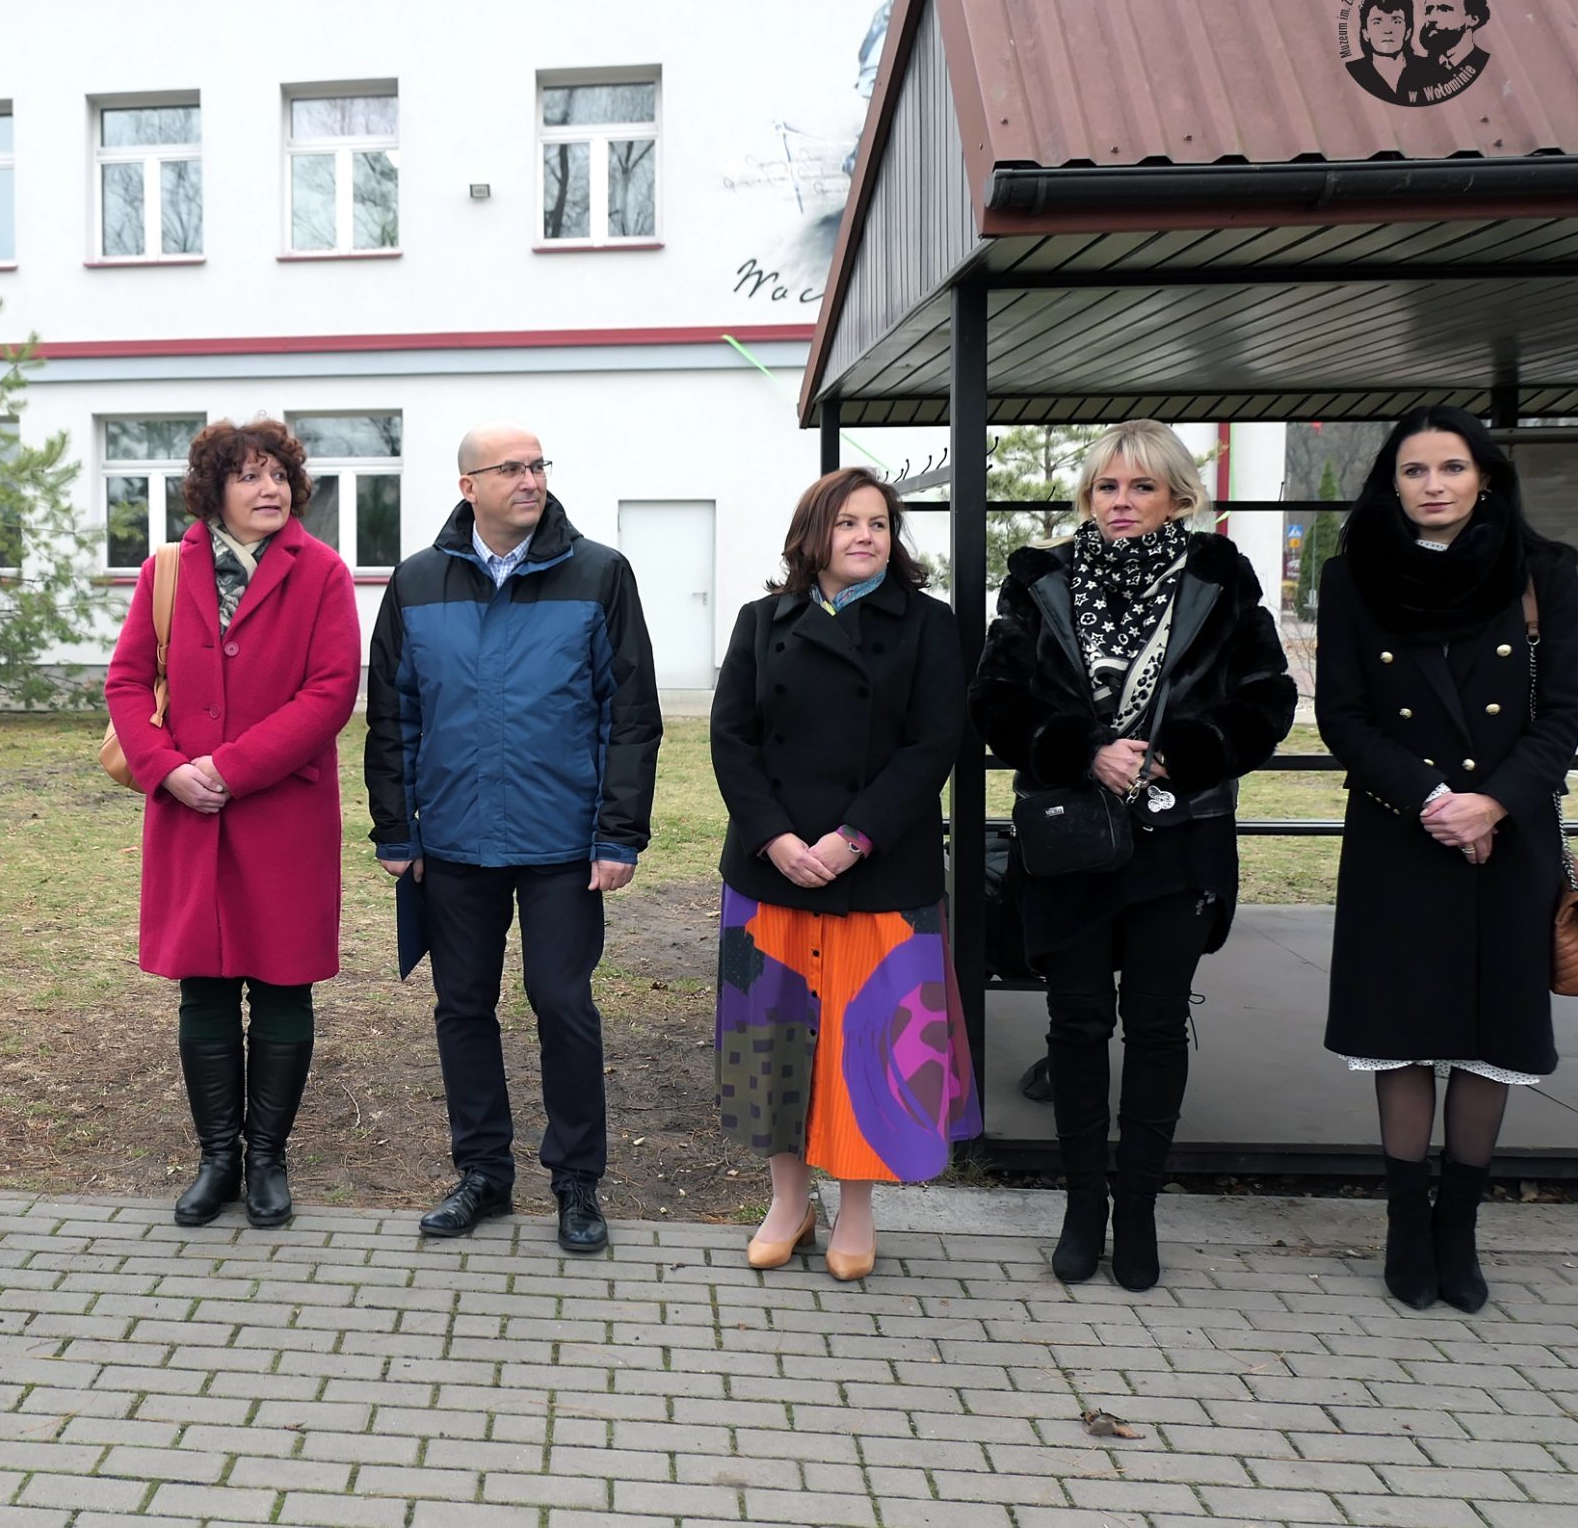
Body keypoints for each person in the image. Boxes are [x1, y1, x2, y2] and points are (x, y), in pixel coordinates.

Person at [969, 419, 1295, 1291]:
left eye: (1140, 487)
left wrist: (1178, 751)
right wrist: (1081, 748)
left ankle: (1139, 1211)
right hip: (1071, 841)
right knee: (1075, 1026)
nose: (1121, 502)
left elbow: (1268, 700)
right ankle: (1083, 1207)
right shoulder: (1039, 579)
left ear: (1177, 496)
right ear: (1088, 495)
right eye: (1107, 486)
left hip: (1177, 839)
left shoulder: (1219, 580)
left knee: (1155, 1028)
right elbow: (995, 700)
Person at [365, 423, 661, 1255]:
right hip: (453, 840)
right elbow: (393, 713)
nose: (529, 479)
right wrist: (396, 825)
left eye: (538, 465)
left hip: (564, 841)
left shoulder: (599, 573)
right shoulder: (420, 581)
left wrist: (618, 832)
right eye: (511, 468)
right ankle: (483, 1173)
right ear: (469, 486)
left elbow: (629, 714)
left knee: (563, 1003)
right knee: (461, 1006)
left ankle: (576, 1179)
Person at [1317, 407, 1578, 1314]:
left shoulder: (1542, 571)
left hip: (1509, 838)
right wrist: (1434, 799)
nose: (1433, 484)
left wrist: (1494, 799)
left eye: (1451, 466)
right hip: (1402, 832)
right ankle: (1404, 1229)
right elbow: (1344, 715)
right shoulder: (1353, 576)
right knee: (1401, 1029)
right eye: (1413, 469)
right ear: (1389, 482)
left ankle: (1457, 1231)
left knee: (1489, 1032)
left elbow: (1565, 709)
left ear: (1484, 476)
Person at [709, 469, 976, 1281]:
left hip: (880, 868)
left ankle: (856, 1207)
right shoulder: (763, 621)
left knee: (870, 1046)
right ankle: (789, 1202)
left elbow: (934, 744)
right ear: (812, 535)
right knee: (775, 1043)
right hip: (773, 871)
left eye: (880, 523)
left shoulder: (930, 625)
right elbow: (731, 738)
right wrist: (777, 838)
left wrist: (854, 837)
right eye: (848, 522)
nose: (866, 535)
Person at [105, 420, 360, 1229]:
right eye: (250, 475)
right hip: (189, 815)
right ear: (214, 488)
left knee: (283, 983)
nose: (270, 489)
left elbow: (330, 694)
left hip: (281, 812)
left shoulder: (322, 573)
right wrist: (168, 768)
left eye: (280, 473)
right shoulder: (167, 570)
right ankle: (217, 1156)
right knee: (205, 986)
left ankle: (267, 1159)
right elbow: (123, 683)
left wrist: (230, 767)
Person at [1407, 0, 1494, 104]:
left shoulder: (1486, 65)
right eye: (1429, 10)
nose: (1431, 18)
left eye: (1444, 9)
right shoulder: (1416, 73)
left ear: (1473, 19)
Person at [1344, 0, 1417, 104]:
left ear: (1407, 32)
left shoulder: (1429, 70)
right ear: (1366, 33)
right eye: (1377, 22)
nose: (1387, 30)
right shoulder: (1352, 71)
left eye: (1396, 21)